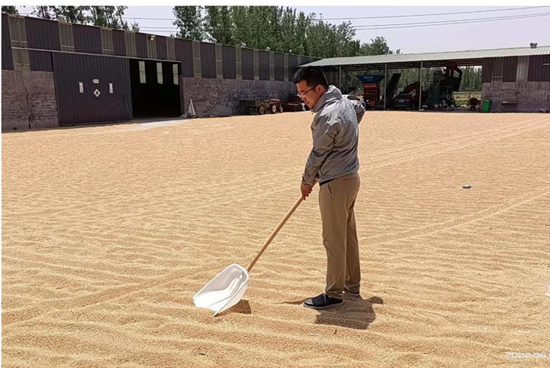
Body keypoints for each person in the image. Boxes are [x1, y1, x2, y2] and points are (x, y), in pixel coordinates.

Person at [293, 66, 365, 310]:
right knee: (347, 235)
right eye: (299, 94)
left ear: (319, 89)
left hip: (334, 183)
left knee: (333, 240)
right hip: (351, 179)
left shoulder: (325, 115)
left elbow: (318, 153)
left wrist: (306, 181)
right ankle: (352, 285)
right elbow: (360, 108)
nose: (302, 98)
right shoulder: (345, 102)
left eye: (304, 93)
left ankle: (333, 293)